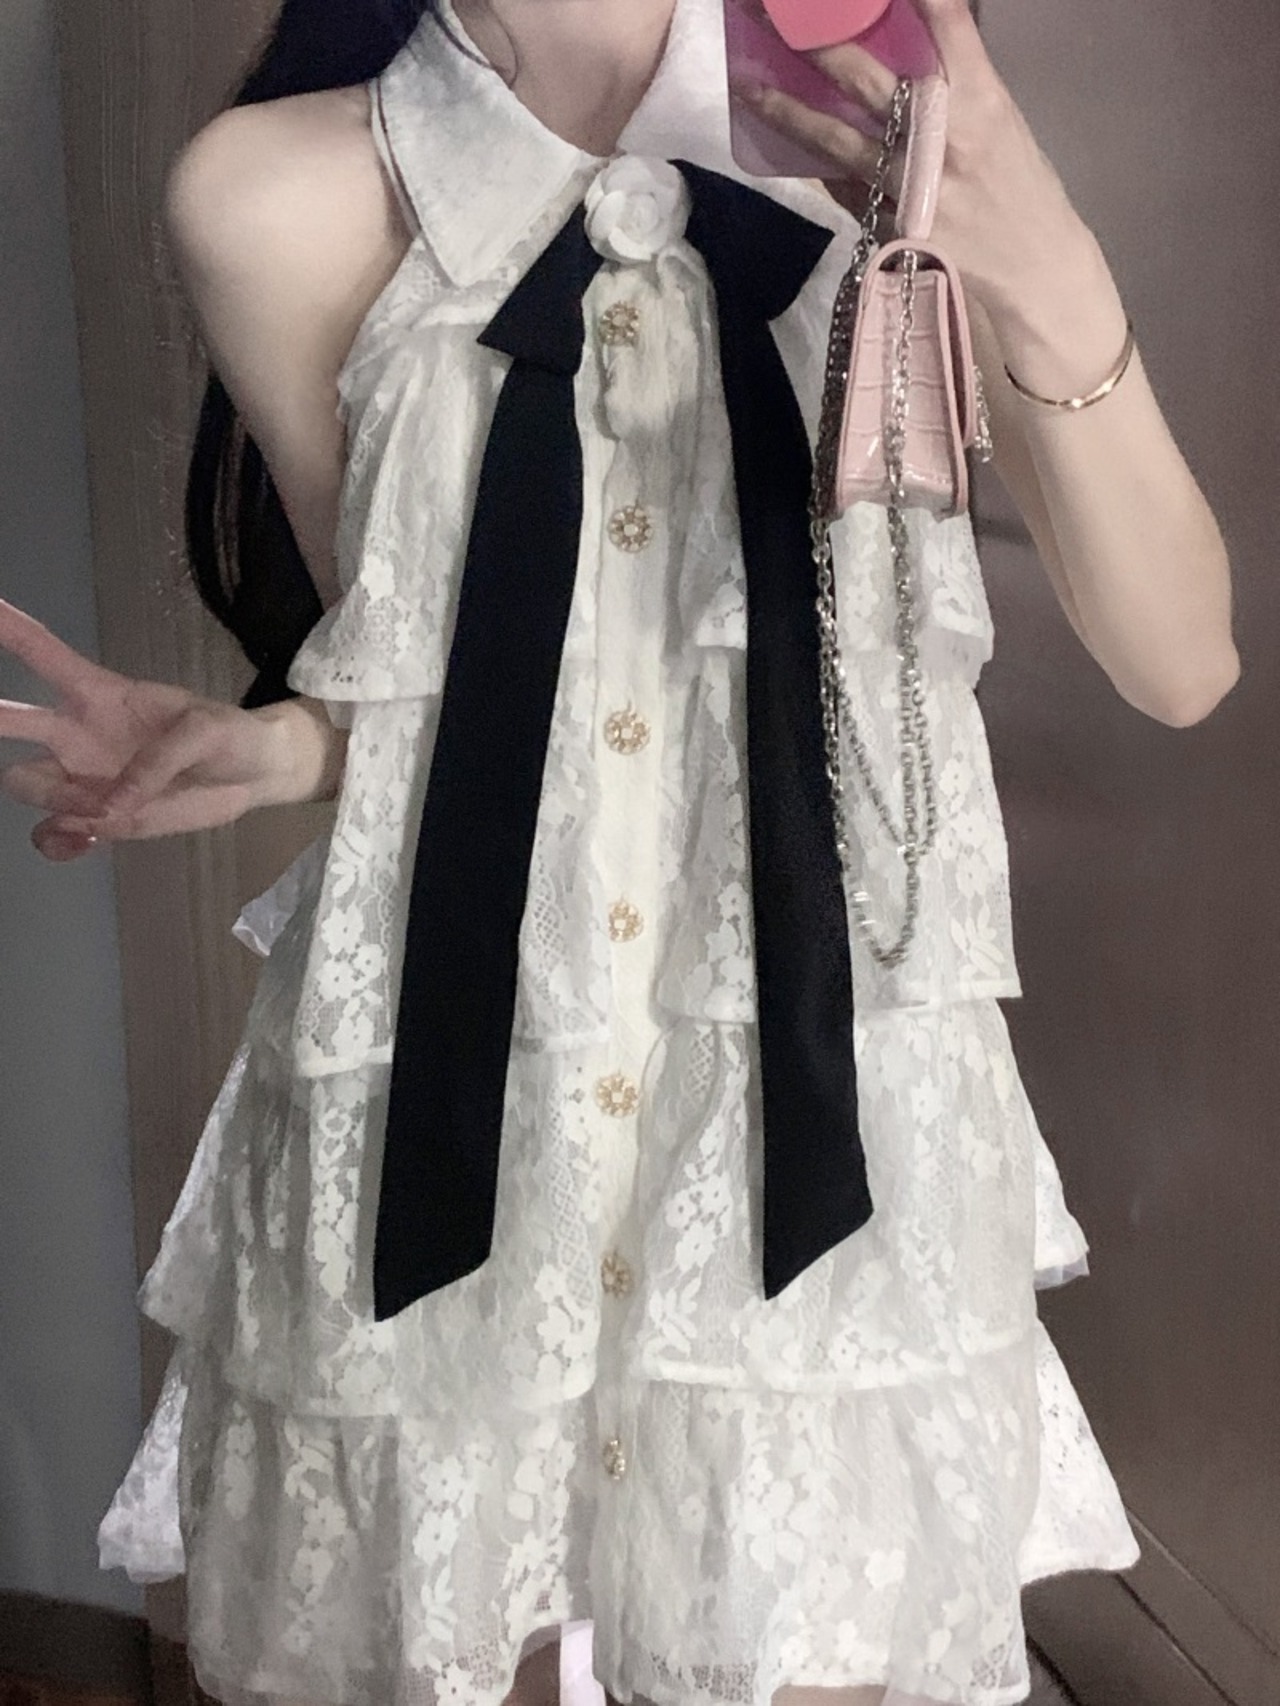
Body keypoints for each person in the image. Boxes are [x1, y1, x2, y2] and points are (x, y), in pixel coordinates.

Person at [0, 2, 1237, 1705]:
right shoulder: (270, 200)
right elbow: (442, 677)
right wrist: (283, 740)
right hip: (461, 1113)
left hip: (811, 1132)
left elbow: (1182, 660)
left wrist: (1032, 253)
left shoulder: (885, 121)